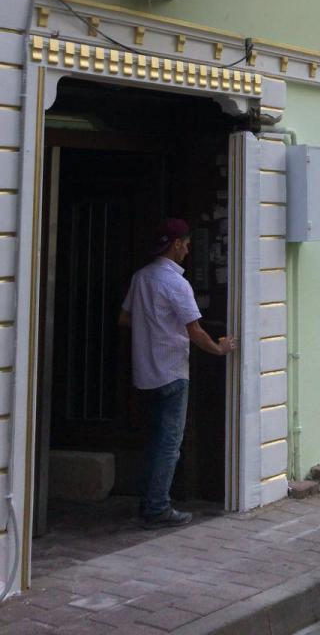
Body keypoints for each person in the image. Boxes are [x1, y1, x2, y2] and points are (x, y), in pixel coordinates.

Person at [119, 217, 237, 528]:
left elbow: (125, 318)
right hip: (172, 372)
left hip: (145, 373)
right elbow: (195, 330)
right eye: (185, 245)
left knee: (153, 441)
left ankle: (147, 500)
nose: (187, 250)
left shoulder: (141, 277)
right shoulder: (176, 284)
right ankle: (158, 507)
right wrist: (220, 349)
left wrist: (152, 326)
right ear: (176, 245)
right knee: (169, 444)